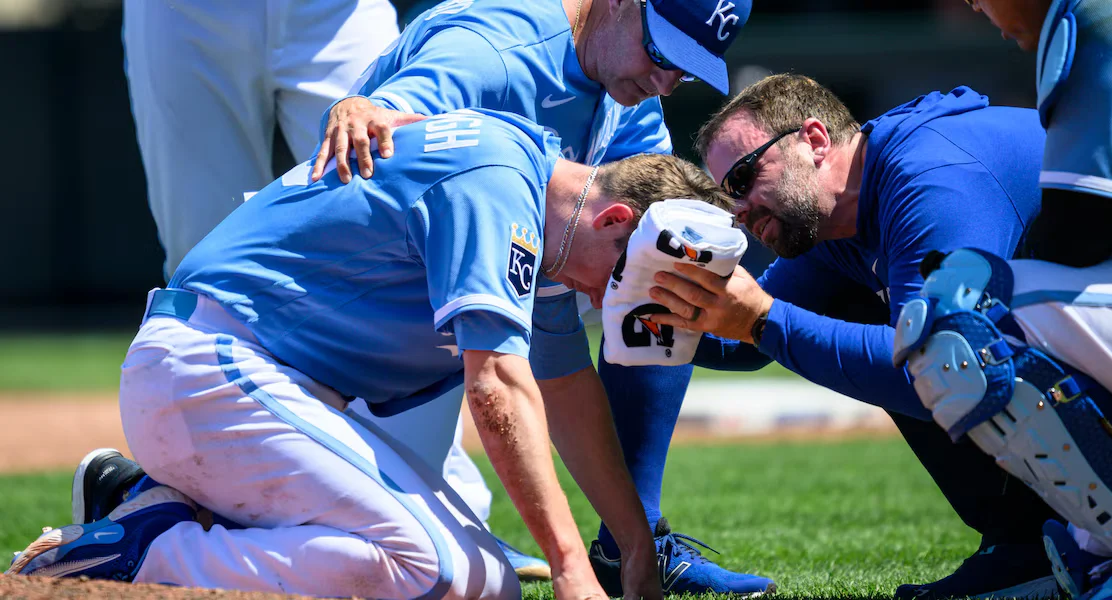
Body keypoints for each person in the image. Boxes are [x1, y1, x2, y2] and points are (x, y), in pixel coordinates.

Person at [7, 109, 733, 600]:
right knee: (434, 572)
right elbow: (497, 388)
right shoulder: (499, 189)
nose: (606, 299)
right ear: (614, 220)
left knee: (490, 581)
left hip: (258, 385)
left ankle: (143, 495)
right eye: (621, 281)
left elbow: (566, 386)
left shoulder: (536, 194)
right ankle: (144, 547)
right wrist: (572, 566)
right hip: (213, 368)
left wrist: (634, 547)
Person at [282, 0, 774, 594]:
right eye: (661, 51)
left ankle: (632, 539)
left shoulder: (628, 87)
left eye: (686, 70)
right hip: (345, 317)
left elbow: (569, 351)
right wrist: (358, 107)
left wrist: (633, 540)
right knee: (410, 565)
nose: (666, 82)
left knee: (662, 271)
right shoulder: (496, 53)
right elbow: (376, 134)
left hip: (453, 283)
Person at [117, 0, 544, 574]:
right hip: (185, 12)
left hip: (336, 13)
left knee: (408, 231)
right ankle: (174, 502)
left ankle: (448, 510)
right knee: (202, 256)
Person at [639, 73, 1064, 599]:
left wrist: (760, 319)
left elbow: (945, 372)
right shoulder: (838, 218)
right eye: (728, 197)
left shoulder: (929, 179)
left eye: (743, 177)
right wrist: (633, 297)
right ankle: (1024, 542)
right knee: (864, 316)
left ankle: (1065, 541)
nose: (739, 210)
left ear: (815, 141)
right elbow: (739, 339)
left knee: (936, 351)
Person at [892, 1, 1112, 598]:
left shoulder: (1108, 16)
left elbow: (1074, 237)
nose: (974, 4)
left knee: (961, 310)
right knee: (1097, 541)